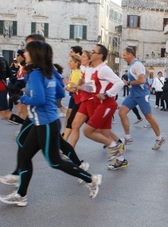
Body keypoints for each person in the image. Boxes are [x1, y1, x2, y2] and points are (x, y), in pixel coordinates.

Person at [0, 41, 102, 206]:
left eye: (27, 51)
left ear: (34, 54)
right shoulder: (48, 71)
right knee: (24, 155)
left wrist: (21, 98)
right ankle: (21, 195)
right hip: (45, 121)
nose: (24, 53)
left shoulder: (35, 73)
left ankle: (91, 179)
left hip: (45, 123)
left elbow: (39, 99)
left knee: (54, 162)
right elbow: (60, 91)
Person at [83, 44, 126, 168]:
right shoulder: (96, 69)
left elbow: (119, 82)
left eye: (93, 52)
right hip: (101, 105)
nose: (91, 53)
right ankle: (121, 159)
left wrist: (107, 94)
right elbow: (93, 88)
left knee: (87, 131)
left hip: (106, 105)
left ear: (100, 55)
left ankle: (115, 145)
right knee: (104, 133)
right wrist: (82, 86)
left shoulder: (103, 69)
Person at [118, 47, 165, 150]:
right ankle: (128, 137)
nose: (123, 57)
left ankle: (159, 138)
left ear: (130, 54)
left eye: (124, 55)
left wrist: (129, 83)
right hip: (133, 94)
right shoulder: (133, 65)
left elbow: (142, 80)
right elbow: (146, 72)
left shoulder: (137, 64)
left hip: (142, 95)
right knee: (121, 112)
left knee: (149, 117)